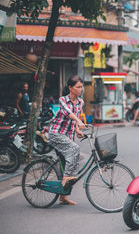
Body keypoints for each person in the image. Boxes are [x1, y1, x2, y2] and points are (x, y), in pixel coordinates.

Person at [48, 75, 86, 205]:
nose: (81, 89)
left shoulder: (81, 102)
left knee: (71, 163)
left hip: (68, 136)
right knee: (75, 149)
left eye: (81, 87)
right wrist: (79, 121)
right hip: (56, 133)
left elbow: (75, 119)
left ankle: (63, 196)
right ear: (70, 88)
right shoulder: (62, 100)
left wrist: (78, 129)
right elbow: (68, 112)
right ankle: (65, 180)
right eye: (78, 87)